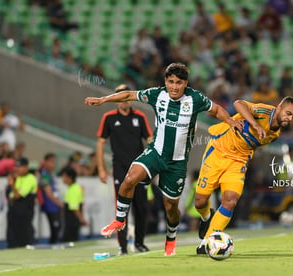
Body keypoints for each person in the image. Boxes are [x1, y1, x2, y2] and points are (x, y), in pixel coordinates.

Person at [84, 63, 242, 256]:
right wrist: (103, 100)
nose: (174, 87)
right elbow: (128, 95)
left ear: (185, 83)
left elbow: (216, 109)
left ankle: (171, 236)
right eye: (170, 82)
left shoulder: (195, 98)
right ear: (165, 81)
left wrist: (231, 121)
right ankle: (119, 219)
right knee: (129, 179)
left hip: (177, 163)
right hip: (156, 153)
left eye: (178, 83)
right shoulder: (157, 94)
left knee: (171, 207)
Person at [194, 96, 293, 254]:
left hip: (238, 162)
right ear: (279, 108)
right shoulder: (264, 112)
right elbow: (238, 103)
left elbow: (250, 145)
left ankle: (207, 242)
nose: (289, 118)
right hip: (218, 152)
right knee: (200, 202)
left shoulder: (275, 134)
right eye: (288, 113)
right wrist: (254, 124)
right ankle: (207, 216)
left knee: (230, 201)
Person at [96, 84, 153, 255]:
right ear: (116, 100)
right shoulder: (109, 118)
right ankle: (122, 247)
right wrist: (101, 168)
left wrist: (153, 163)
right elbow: (100, 142)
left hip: (140, 168)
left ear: (129, 98)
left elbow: (149, 139)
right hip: (120, 168)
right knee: (122, 208)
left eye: (126, 97)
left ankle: (139, 243)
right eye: (119, 97)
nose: (123, 101)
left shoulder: (140, 117)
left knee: (141, 207)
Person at [6, 157, 37, 248]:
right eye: (17, 166)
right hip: (15, 212)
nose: (17, 169)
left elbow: (18, 195)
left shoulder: (31, 178)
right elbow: (11, 197)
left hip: (25, 213)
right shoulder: (18, 178)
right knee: (13, 236)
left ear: (26, 167)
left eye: (20, 167)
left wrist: (12, 185)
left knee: (25, 236)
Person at [38, 153, 63, 245]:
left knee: (57, 228)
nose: (53, 164)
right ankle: (52, 246)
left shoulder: (49, 174)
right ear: (45, 162)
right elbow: (49, 194)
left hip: (54, 206)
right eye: (51, 162)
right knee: (55, 228)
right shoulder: (45, 175)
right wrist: (60, 204)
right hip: (50, 206)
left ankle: (54, 245)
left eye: (54, 162)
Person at [61, 166, 87, 243]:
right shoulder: (73, 188)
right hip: (71, 221)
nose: (63, 178)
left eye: (64, 176)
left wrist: (82, 219)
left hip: (71, 222)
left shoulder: (74, 190)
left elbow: (75, 208)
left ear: (70, 177)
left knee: (69, 242)